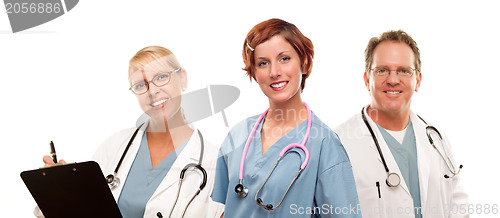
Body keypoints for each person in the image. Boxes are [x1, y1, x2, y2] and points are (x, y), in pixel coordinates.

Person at [41, 46, 224, 218]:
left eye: (161, 77)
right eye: (140, 85)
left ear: (182, 78)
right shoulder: (114, 146)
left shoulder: (215, 163)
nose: (152, 91)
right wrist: (59, 188)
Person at [211, 18, 360, 217]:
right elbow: (229, 209)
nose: (274, 72)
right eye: (263, 63)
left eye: (284, 59)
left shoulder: (324, 144)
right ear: (254, 74)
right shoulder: (237, 136)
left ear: (304, 64)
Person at [334, 30, 469, 217]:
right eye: (382, 70)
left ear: (418, 81)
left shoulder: (436, 139)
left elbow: (459, 207)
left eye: (403, 71)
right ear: (367, 80)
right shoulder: (339, 143)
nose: (393, 80)